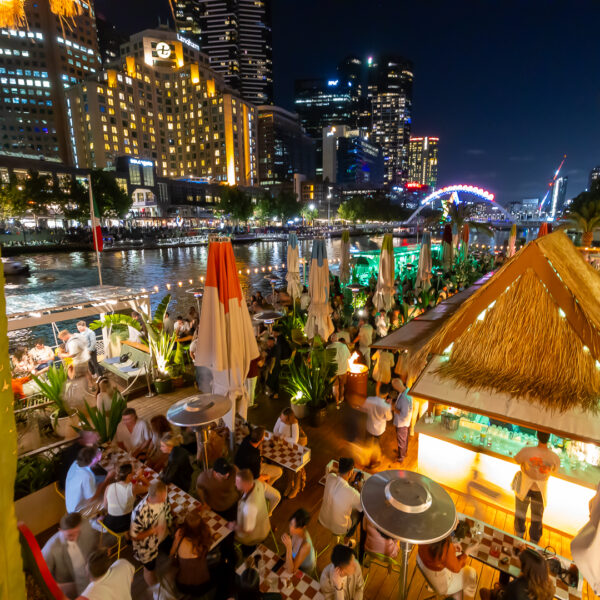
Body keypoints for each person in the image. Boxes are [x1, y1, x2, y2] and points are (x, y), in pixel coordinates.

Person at [513, 430, 560, 543]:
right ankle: (534, 542)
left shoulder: (527, 451)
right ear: (549, 438)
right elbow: (555, 470)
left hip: (524, 486)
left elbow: (516, 460)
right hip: (540, 490)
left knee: (520, 513)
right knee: (537, 518)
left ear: (537, 435)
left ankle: (519, 539)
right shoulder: (554, 457)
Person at [41, 512, 99, 599]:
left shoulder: (86, 528)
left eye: (77, 533)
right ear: (60, 530)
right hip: (69, 587)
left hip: (89, 580)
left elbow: (94, 547)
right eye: (70, 535)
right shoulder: (51, 548)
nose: (75, 538)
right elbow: (42, 575)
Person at [130, 480, 173, 585]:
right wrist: (153, 530)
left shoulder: (163, 497)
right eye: (162, 498)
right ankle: (155, 590)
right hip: (147, 546)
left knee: (172, 551)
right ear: (152, 497)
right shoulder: (139, 512)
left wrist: (170, 523)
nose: (164, 499)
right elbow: (134, 536)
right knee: (149, 569)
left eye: (165, 496)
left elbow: (167, 509)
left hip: (164, 536)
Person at [234, 425, 282, 513]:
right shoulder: (255, 456)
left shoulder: (246, 439)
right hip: (250, 480)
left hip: (240, 471)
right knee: (277, 496)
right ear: (262, 439)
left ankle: (263, 493)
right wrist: (266, 477)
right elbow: (256, 477)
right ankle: (267, 513)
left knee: (278, 471)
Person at [231, 468, 279, 554]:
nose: (235, 483)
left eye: (237, 482)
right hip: (264, 526)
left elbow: (247, 530)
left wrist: (233, 526)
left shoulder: (249, 506)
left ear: (245, 484)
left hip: (252, 537)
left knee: (230, 535)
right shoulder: (258, 484)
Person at [479, 548, 555, 600]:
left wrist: (500, 591)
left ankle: (501, 586)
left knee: (483, 591)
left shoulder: (516, 586)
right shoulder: (549, 586)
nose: (517, 558)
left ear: (525, 567)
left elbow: (505, 597)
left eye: (519, 557)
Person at [417, 534, 478, 599]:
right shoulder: (445, 548)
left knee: (458, 554)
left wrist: (451, 546)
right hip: (441, 584)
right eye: (456, 523)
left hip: (421, 561)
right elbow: (456, 568)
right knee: (472, 573)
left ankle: (456, 591)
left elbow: (437, 549)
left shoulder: (429, 532)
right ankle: (464, 592)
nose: (456, 524)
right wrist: (467, 552)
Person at [170, 511, 214, 597]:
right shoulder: (205, 537)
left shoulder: (180, 540)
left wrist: (176, 539)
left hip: (183, 585)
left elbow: (171, 555)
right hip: (204, 584)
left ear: (185, 527)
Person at [319, 457, 363, 540]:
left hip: (323, 518)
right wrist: (359, 487)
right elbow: (362, 506)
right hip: (339, 528)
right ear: (351, 472)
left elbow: (337, 478)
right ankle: (346, 541)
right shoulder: (353, 493)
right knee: (360, 513)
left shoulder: (330, 477)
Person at [65, 445, 114, 514]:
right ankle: (101, 519)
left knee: (102, 479)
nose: (98, 459)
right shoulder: (87, 476)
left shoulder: (75, 462)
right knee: (109, 499)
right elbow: (92, 498)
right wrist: (107, 478)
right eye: (97, 458)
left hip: (71, 502)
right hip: (78, 511)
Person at [103, 463, 149, 533]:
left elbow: (105, 506)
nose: (135, 473)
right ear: (129, 475)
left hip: (108, 522)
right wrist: (140, 476)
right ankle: (131, 536)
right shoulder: (133, 487)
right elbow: (150, 488)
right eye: (134, 472)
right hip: (123, 525)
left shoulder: (109, 487)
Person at [196, 456, 240, 521]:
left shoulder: (234, 470)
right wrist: (204, 502)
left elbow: (241, 485)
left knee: (231, 527)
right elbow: (199, 487)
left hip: (232, 507)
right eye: (223, 474)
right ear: (215, 473)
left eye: (228, 471)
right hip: (216, 510)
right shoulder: (204, 478)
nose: (227, 474)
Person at [362, 385, 393, 469]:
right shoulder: (385, 406)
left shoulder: (370, 399)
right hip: (378, 429)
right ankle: (372, 463)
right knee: (375, 446)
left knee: (367, 444)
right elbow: (389, 418)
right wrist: (389, 406)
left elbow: (364, 409)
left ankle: (365, 460)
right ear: (387, 393)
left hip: (369, 426)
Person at [282, 508, 316, 575]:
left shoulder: (305, 545)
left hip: (304, 569)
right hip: (294, 558)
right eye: (291, 524)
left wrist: (288, 548)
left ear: (303, 527)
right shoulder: (296, 533)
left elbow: (291, 571)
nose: (291, 529)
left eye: (295, 527)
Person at [392, 377, 412, 464]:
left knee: (401, 440)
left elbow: (404, 415)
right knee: (405, 438)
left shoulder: (404, 398)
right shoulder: (407, 390)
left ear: (397, 386)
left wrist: (393, 408)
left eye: (394, 387)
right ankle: (404, 452)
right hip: (406, 422)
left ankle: (401, 457)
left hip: (402, 423)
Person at [328, 333, 351, 406]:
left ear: (331, 339)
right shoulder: (344, 346)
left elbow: (327, 360)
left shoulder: (328, 347)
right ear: (337, 339)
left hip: (333, 371)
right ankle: (341, 397)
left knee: (335, 386)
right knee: (342, 385)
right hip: (343, 370)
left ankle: (337, 401)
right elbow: (349, 356)